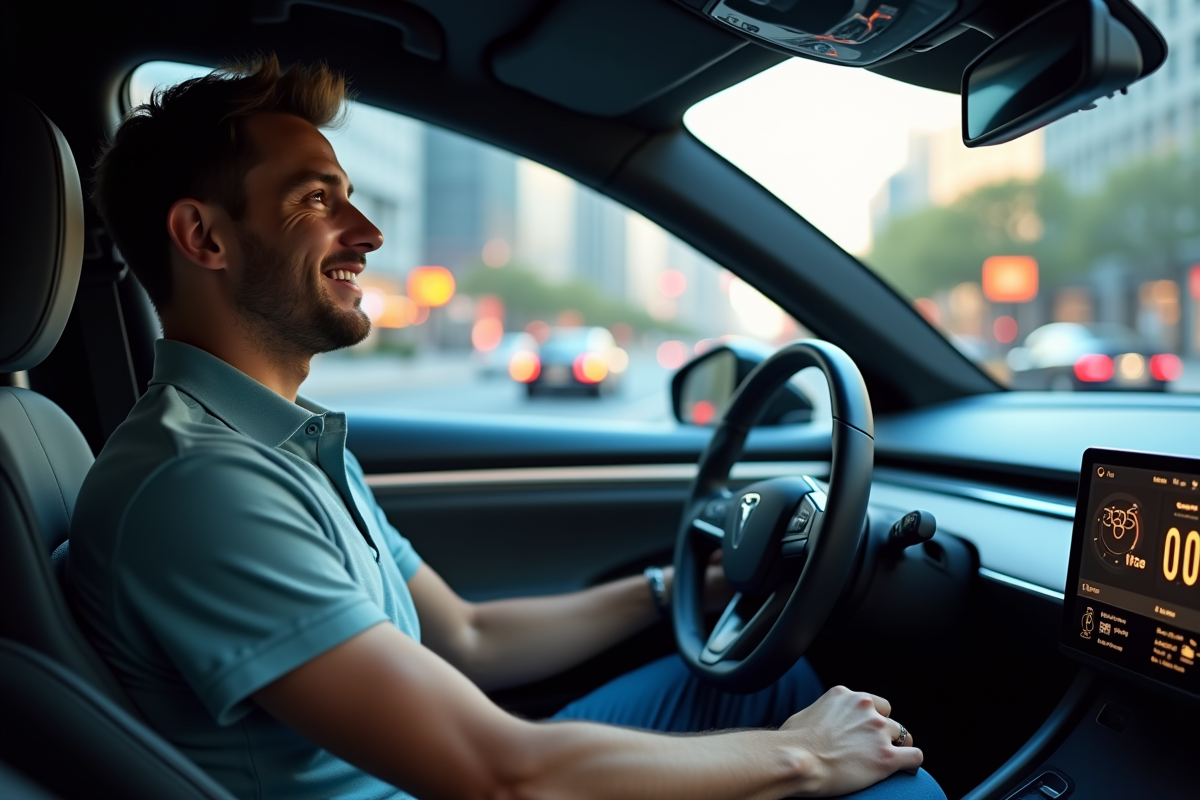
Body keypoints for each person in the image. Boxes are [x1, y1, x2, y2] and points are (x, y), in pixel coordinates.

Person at [69, 55, 945, 800]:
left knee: (770, 685)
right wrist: (806, 757)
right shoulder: (202, 484)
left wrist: (684, 588)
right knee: (869, 768)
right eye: (315, 200)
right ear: (204, 238)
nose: (367, 233)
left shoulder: (275, 444)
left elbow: (465, 640)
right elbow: (500, 778)